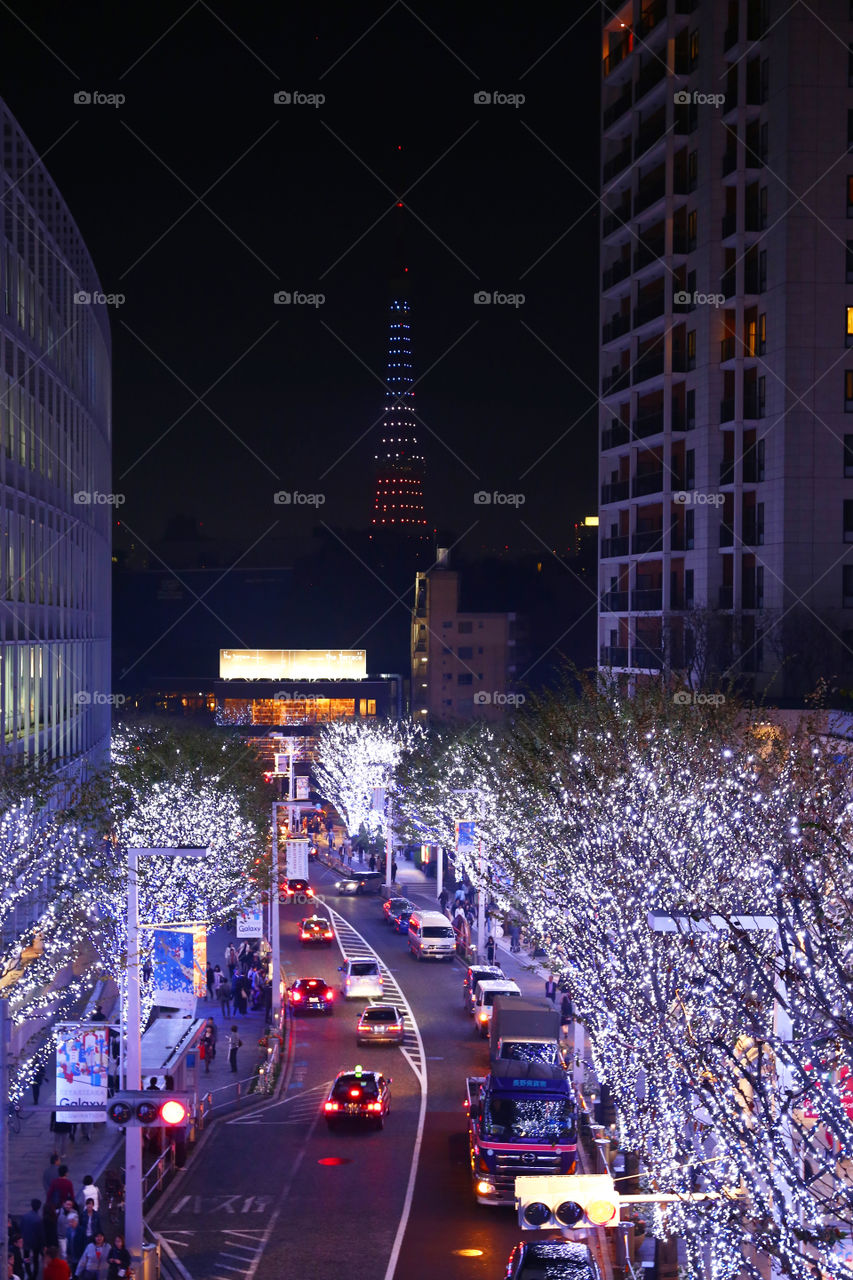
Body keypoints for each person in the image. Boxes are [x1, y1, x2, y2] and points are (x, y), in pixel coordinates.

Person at [20, 1201, 44, 1280]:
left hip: (26, 1241)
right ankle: (34, 1276)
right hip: (35, 1243)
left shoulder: (25, 1216)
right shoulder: (39, 1219)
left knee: (26, 1258)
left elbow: (21, 1228)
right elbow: (40, 1234)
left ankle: (29, 1274)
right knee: (36, 1260)